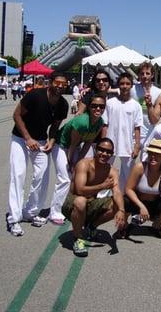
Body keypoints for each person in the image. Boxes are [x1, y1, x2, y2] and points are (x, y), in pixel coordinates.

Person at [6, 72, 69, 236]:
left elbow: (55, 125)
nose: (60, 86)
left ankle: (30, 212)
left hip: (40, 140)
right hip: (20, 138)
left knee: (42, 175)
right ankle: (14, 218)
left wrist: (52, 139)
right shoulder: (35, 95)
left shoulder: (63, 104)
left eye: (64, 84)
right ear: (51, 83)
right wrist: (27, 138)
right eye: (58, 82)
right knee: (18, 175)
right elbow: (16, 115)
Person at [62, 137, 126, 257]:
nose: (104, 154)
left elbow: (117, 192)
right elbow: (80, 190)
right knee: (81, 201)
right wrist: (102, 186)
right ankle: (78, 239)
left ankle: (92, 226)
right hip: (72, 203)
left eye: (108, 152)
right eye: (101, 150)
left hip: (91, 203)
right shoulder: (84, 164)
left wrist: (122, 210)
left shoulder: (112, 171)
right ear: (96, 150)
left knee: (118, 204)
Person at [48, 93, 107, 225]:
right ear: (89, 107)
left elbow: (87, 144)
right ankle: (55, 212)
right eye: (94, 106)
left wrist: (78, 162)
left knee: (78, 174)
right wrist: (71, 163)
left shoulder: (100, 123)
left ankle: (69, 205)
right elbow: (72, 145)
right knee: (65, 178)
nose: (98, 109)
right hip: (62, 146)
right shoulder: (81, 122)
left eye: (101, 106)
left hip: (76, 147)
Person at [124, 139, 161, 239]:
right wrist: (141, 207)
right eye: (151, 153)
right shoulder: (140, 167)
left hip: (154, 204)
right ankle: (124, 226)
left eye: (157, 154)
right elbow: (128, 189)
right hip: (138, 203)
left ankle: (156, 226)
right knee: (125, 201)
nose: (153, 157)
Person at [105, 73, 142, 191]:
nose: (124, 86)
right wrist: (102, 142)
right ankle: (102, 199)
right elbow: (105, 125)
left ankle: (125, 200)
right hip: (109, 144)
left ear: (131, 86)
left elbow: (137, 127)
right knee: (105, 173)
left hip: (127, 145)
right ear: (118, 85)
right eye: (122, 83)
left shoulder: (136, 105)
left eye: (127, 84)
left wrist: (137, 146)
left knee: (128, 176)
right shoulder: (110, 103)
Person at [130, 61, 161, 144]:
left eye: (147, 73)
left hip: (149, 133)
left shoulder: (158, 92)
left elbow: (155, 119)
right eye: (142, 73)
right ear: (139, 75)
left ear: (152, 75)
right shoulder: (131, 89)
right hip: (131, 132)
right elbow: (118, 91)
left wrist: (149, 104)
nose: (144, 76)